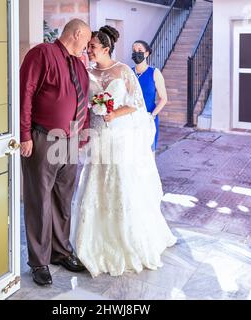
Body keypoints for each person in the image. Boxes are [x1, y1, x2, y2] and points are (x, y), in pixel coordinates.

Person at [72, 26, 177, 278]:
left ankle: (124, 241)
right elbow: (84, 102)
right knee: (93, 184)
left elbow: (136, 105)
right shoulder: (88, 72)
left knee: (119, 183)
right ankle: (90, 242)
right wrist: (91, 109)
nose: (89, 50)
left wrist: (112, 113)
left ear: (106, 48)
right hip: (97, 137)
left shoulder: (123, 71)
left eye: (93, 47)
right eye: (88, 47)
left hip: (117, 136)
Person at [19, 19, 92, 286]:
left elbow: (82, 96)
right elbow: (24, 94)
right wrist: (24, 134)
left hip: (70, 141)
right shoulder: (42, 54)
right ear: (77, 34)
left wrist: (81, 133)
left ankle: (60, 252)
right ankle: (39, 261)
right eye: (86, 40)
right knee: (40, 200)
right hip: (43, 138)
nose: (87, 46)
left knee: (63, 200)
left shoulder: (78, 64)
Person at [132, 40, 168, 152]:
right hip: (131, 119)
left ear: (146, 53)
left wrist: (151, 116)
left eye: (139, 50)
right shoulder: (128, 72)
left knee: (148, 153)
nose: (136, 53)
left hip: (148, 119)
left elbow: (163, 99)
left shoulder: (154, 72)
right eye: (134, 51)